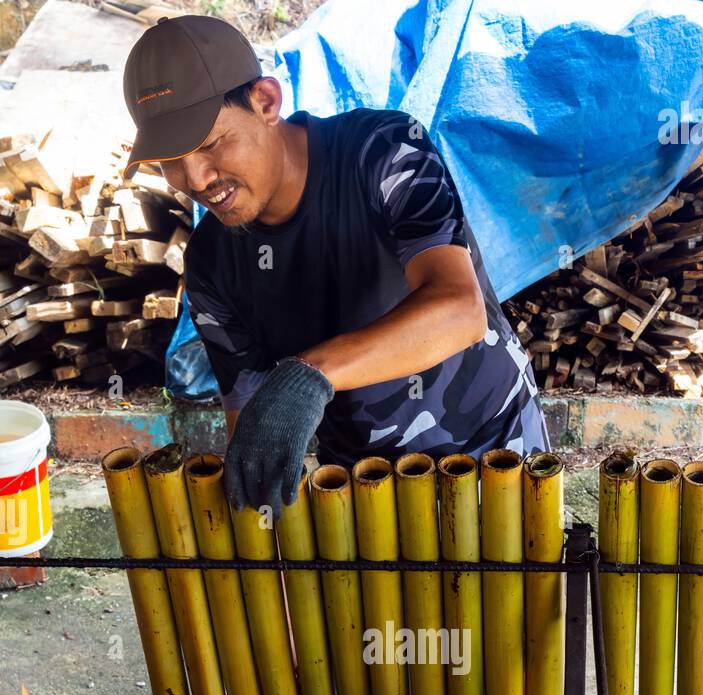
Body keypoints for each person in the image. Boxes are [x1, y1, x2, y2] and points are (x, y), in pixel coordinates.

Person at [123, 14, 549, 517]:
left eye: (212, 143)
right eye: (170, 160)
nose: (195, 178)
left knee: (509, 596)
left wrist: (309, 374)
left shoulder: (384, 152)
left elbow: (460, 310)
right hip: (355, 487)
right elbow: (253, 422)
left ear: (265, 102)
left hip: (491, 455)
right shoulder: (212, 265)